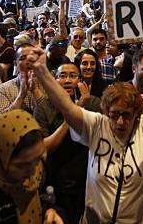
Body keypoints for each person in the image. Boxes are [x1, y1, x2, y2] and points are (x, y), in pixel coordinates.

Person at [25, 41, 143, 223]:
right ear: (105, 112)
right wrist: (41, 70)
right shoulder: (96, 125)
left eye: (126, 115)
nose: (120, 121)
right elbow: (66, 106)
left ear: (137, 113)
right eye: (114, 114)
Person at [34, 62, 101, 223]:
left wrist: (84, 108)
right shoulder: (44, 108)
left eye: (73, 76)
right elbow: (45, 148)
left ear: (80, 80)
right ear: (54, 80)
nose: (68, 80)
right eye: (62, 76)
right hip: (57, 183)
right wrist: (72, 115)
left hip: (88, 181)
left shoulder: (92, 103)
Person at [0, 44, 47, 113]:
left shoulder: (48, 85)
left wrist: (35, 91)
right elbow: (2, 120)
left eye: (32, 57)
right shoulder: (3, 89)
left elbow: (53, 117)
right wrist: (21, 95)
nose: (28, 61)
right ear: (15, 64)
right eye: (23, 58)